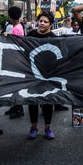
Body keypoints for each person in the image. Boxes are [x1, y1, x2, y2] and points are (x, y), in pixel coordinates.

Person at [25, 10, 57, 139]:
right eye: (40, 21)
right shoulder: (31, 35)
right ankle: (34, 127)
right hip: (32, 74)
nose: (42, 23)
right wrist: (7, 36)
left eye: (45, 22)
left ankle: (48, 128)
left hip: (48, 75)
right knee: (32, 101)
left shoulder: (55, 38)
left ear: (50, 24)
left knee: (48, 102)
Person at [4, 5, 26, 119]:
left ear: (10, 17)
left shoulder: (16, 28)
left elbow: (15, 44)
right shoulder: (18, 26)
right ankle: (14, 106)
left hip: (16, 60)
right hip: (16, 59)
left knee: (15, 85)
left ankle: (19, 108)